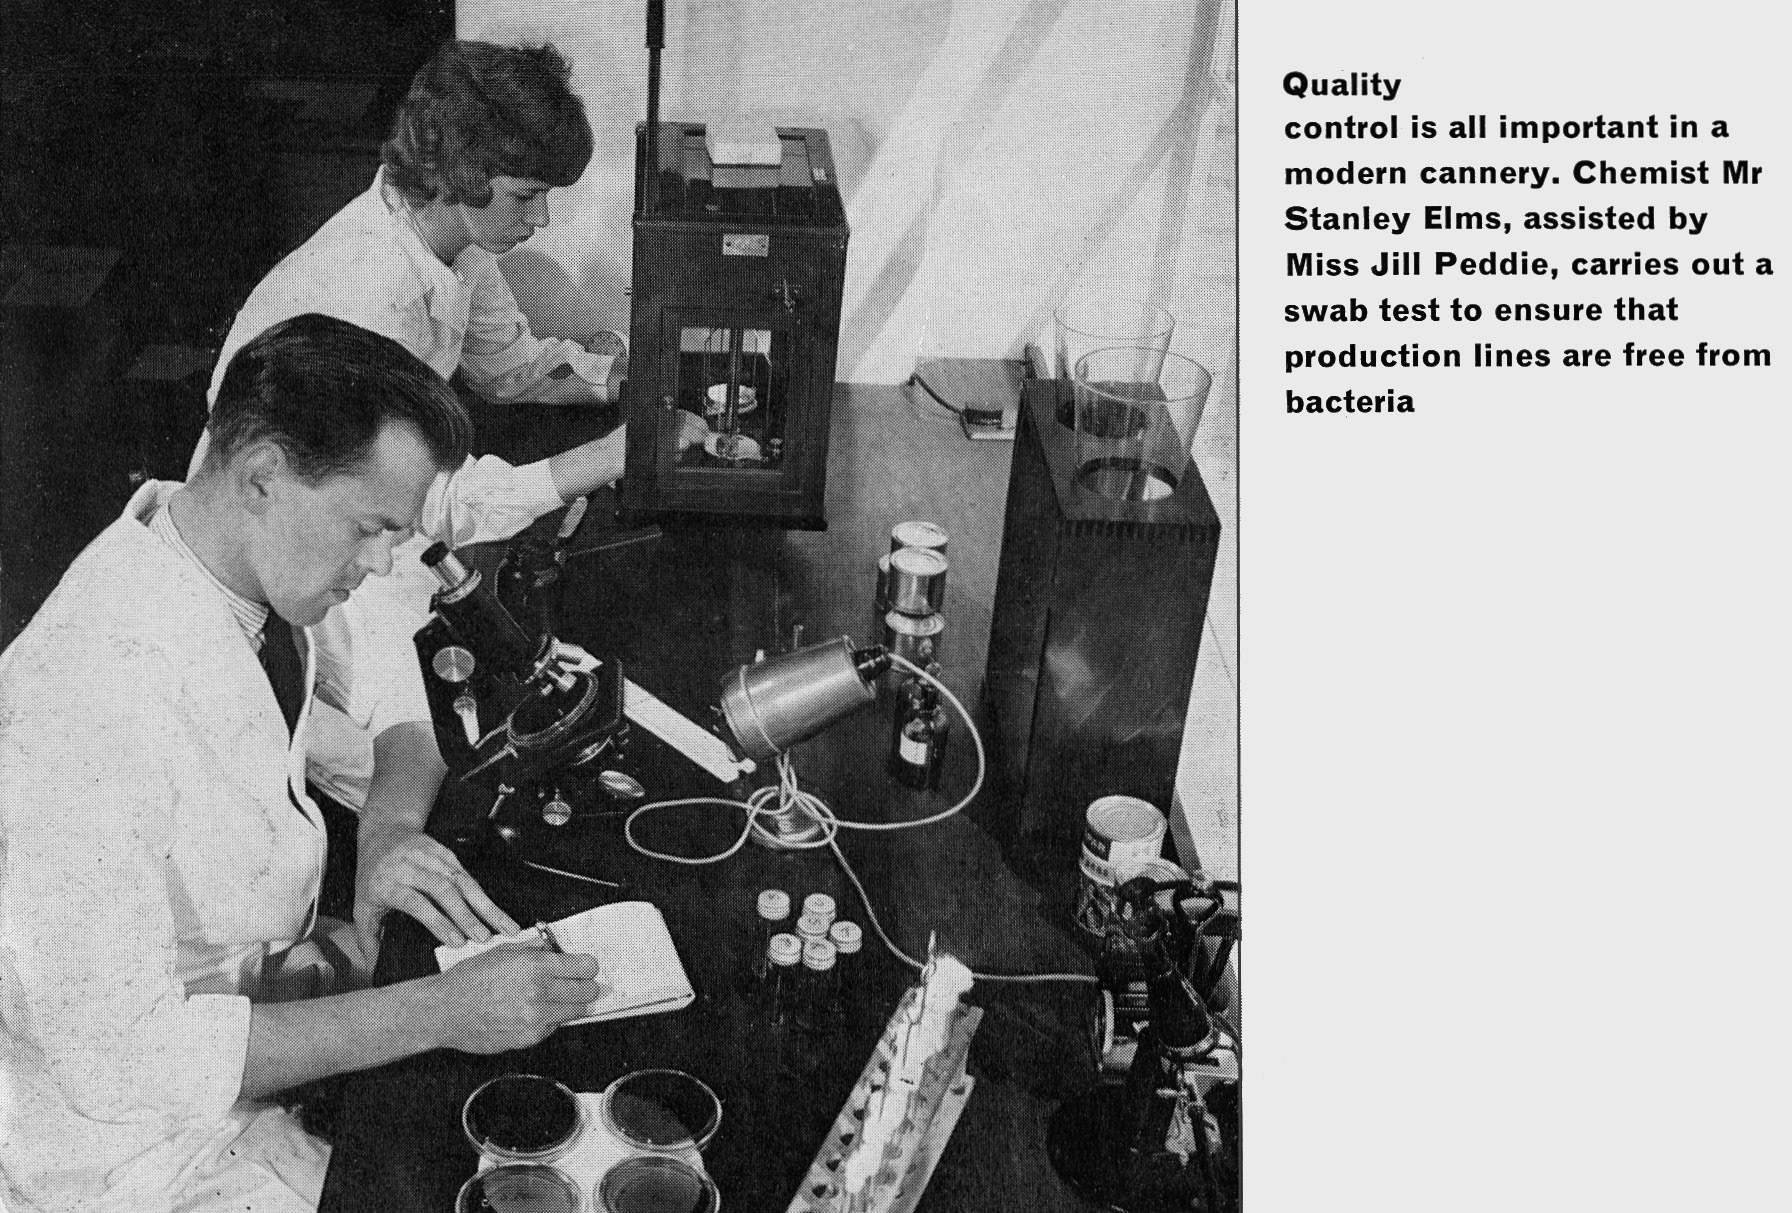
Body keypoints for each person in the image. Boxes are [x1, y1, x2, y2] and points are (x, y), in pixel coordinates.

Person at [0, 315, 605, 1213]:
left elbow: (402, 705)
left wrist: (391, 833)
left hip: (254, 1030)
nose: (383, 561)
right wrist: (434, 1013)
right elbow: (120, 1056)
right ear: (262, 476)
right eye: (370, 529)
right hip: (126, 1150)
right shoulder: (93, 689)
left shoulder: (234, 552)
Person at [184, 40, 705, 958]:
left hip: (370, 521)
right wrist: (615, 457)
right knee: (429, 729)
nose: (542, 220)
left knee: (454, 684)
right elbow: (431, 505)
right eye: (525, 195)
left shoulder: (447, 243)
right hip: (289, 543)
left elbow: (509, 367)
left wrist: (632, 368)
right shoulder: (362, 288)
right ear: (462, 174)